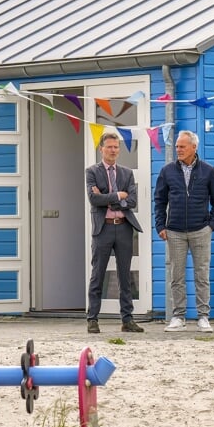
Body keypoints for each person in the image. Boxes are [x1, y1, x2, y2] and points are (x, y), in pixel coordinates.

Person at [153, 130, 214, 333]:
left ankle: (203, 316)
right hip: (174, 231)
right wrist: (160, 225)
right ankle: (178, 317)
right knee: (177, 276)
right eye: (177, 146)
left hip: (201, 230)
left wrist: (212, 225)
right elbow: (159, 200)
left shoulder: (209, 171)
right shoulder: (167, 171)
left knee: (202, 275)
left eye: (182, 146)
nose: (178, 150)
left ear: (194, 147)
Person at [85, 130, 144, 333]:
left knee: (125, 276)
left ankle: (127, 319)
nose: (113, 150)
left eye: (116, 147)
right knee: (98, 274)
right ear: (101, 149)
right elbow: (94, 200)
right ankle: (92, 318)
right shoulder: (92, 171)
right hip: (104, 229)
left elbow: (133, 201)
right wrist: (119, 195)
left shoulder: (127, 173)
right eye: (109, 147)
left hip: (124, 227)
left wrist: (107, 197)